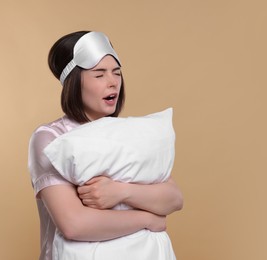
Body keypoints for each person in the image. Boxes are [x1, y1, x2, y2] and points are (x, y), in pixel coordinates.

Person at [28, 31, 183, 260]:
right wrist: (148, 219)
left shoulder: (126, 133)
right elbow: (74, 224)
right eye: (99, 75)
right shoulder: (51, 138)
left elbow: (173, 197)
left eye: (117, 73)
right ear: (73, 82)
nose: (113, 82)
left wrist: (120, 191)